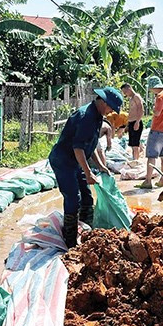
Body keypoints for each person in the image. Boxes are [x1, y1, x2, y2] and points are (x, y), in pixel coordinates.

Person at [48, 87, 123, 248]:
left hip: (76, 160)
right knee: (74, 198)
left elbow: (91, 146)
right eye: (110, 108)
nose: (110, 112)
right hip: (64, 161)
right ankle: (70, 240)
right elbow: (78, 148)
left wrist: (101, 166)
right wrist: (88, 172)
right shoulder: (86, 117)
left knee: (87, 198)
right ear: (102, 102)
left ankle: (86, 231)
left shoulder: (97, 116)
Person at [122, 83, 144, 160]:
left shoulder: (136, 97)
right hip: (131, 122)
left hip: (136, 122)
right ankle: (135, 158)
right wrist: (128, 125)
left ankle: (136, 160)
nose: (125, 94)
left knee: (135, 145)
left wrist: (137, 122)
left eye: (125, 92)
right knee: (132, 144)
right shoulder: (131, 99)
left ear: (129, 89)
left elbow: (141, 109)